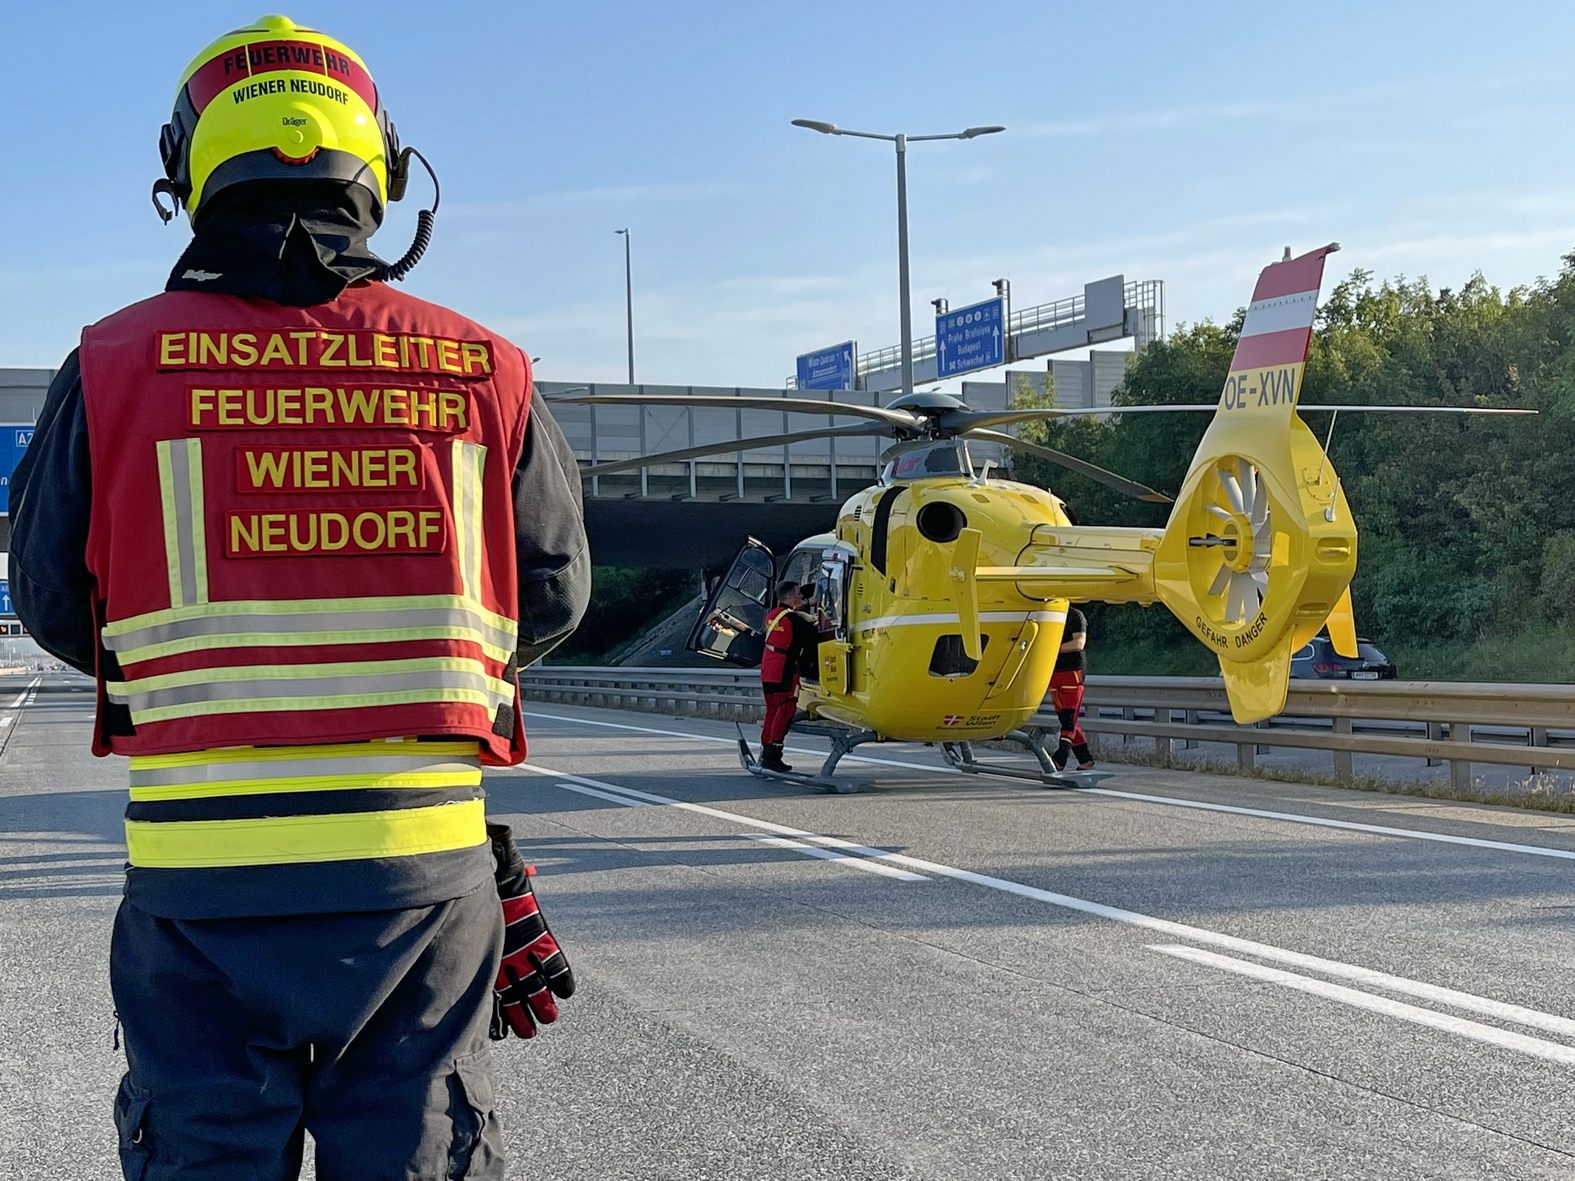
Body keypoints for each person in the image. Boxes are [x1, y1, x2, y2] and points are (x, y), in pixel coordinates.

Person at [6, 15, 590, 1179]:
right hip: (422, 889)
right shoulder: (485, 368)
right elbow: (554, 593)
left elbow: (51, 601)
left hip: (199, 889)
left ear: (186, 172)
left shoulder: (114, 367)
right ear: (380, 168)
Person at [758, 580, 820, 772]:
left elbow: (796, 617)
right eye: (798, 594)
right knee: (784, 711)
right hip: (784, 671)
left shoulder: (773, 616)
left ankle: (766, 749)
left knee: (771, 711)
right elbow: (812, 637)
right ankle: (774, 754)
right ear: (790, 597)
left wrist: (807, 606)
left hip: (768, 671)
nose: (801, 596)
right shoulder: (794, 621)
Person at [1050, 605, 1095, 772]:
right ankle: (1085, 759)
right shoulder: (1048, 615)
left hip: (1072, 670)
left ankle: (1060, 757)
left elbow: (1079, 642)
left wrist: (1052, 650)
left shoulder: (1075, 615)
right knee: (1066, 719)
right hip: (1054, 671)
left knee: (1069, 718)